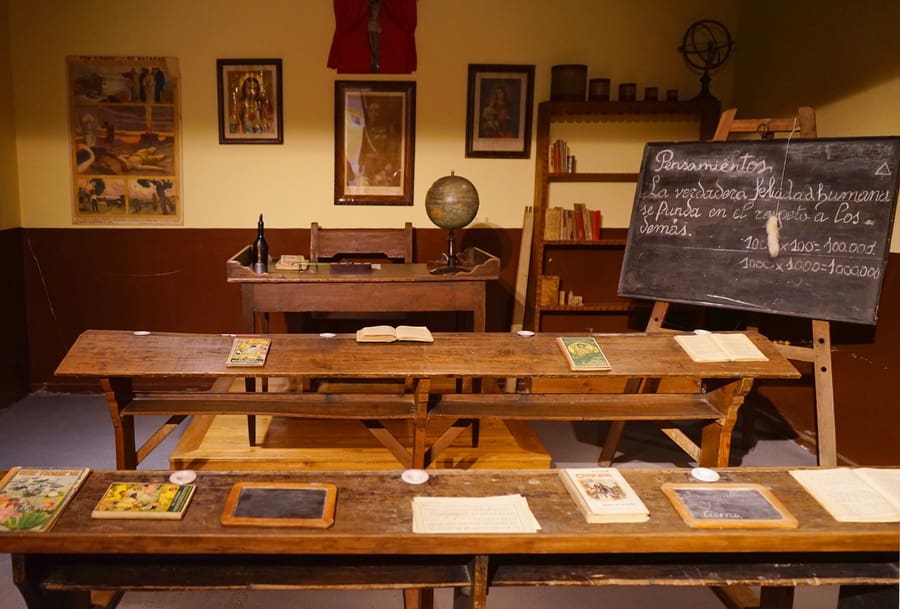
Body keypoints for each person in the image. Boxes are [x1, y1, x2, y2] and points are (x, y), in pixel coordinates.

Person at [356, 98, 401, 186]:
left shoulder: (387, 129)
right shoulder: (365, 130)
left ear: (380, 113)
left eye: (376, 111)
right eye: (371, 111)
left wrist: (390, 163)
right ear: (368, 113)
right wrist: (360, 165)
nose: (374, 114)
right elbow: (363, 147)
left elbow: (392, 148)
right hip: (369, 165)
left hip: (382, 164)